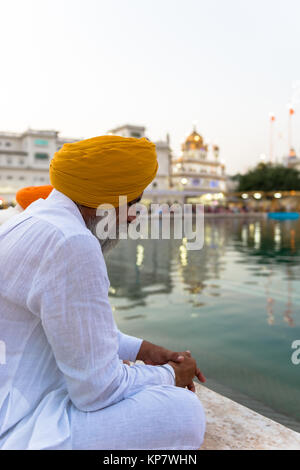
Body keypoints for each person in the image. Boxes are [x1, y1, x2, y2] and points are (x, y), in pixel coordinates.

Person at [0, 135, 206, 450]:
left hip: (14, 397)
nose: (135, 216)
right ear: (107, 202)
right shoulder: (71, 242)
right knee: (182, 412)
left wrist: (146, 352)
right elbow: (97, 391)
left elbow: (76, 328)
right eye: (133, 204)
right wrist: (171, 375)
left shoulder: (30, 220)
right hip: (18, 426)